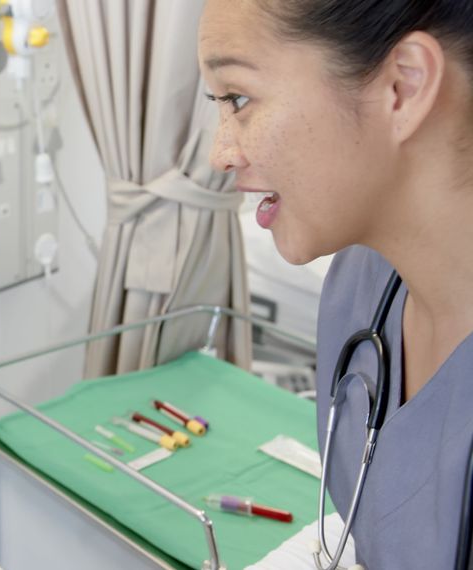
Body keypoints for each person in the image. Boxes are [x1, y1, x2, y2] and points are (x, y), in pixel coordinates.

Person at [198, 0, 473, 567]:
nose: (220, 153)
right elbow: (371, 532)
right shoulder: (361, 284)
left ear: (403, 87)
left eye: (239, 99)